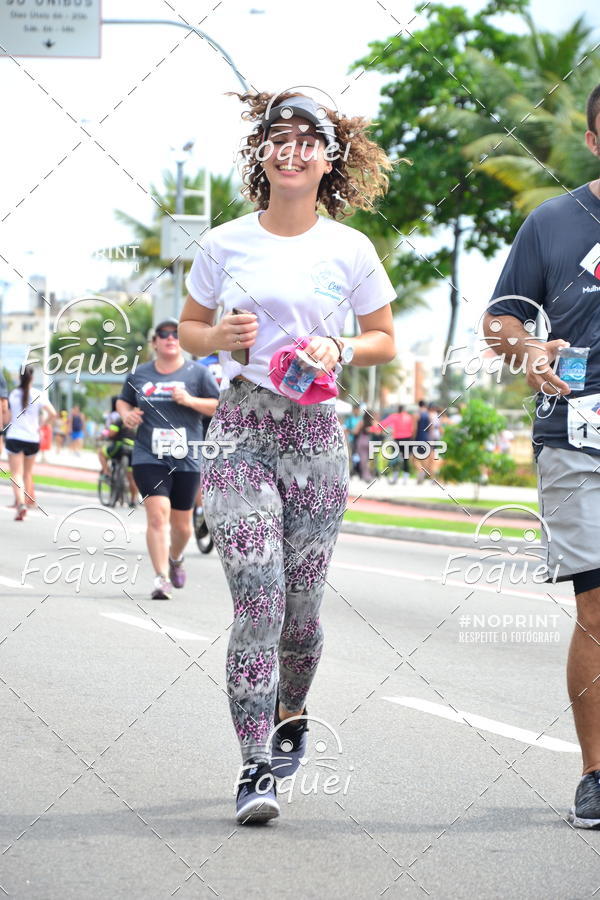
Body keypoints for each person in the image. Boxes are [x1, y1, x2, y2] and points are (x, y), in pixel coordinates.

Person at [178, 90, 397, 824]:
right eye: (280, 137)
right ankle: (255, 769)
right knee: (259, 602)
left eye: (310, 139)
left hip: (316, 434)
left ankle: (292, 707)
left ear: (329, 158)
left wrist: (340, 346)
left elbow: (384, 339)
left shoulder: (350, 248)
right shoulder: (225, 242)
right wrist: (222, 338)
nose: (293, 148)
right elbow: (189, 331)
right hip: (242, 426)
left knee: (301, 617)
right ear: (262, 153)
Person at [484, 82, 600, 829]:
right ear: (592, 138)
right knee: (597, 606)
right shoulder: (553, 222)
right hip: (578, 438)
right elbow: (499, 322)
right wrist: (527, 348)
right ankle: (596, 774)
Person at [116, 318, 219, 600]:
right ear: (155, 342)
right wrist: (127, 414)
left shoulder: (198, 374)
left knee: (182, 526)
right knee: (157, 515)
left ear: (182, 341)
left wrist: (190, 401)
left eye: (175, 334)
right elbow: (123, 399)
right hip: (148, 455)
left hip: (186, 457)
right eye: (163, 334)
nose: (170, 338)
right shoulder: (140, 374)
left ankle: (175, 558)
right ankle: (161, 578)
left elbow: (218, 404)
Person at [5, 365, 56, 520]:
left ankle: (20, 503)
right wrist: (41, 425)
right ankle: (27, 501)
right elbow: (53, 414)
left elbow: (7, 418)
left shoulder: (13, 394)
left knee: (16, 473)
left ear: (19, 378)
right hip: (32, 438)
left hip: (15, 437)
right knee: (27, 473)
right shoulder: (38, 394)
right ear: (32, 378)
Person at [98, 396, 138, 506]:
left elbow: (111, 433)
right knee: (131, 477)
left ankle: (106, 473)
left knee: (101, 452)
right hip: (134, 450)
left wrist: (104, 437)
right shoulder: (139, 421)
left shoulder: (121, 419)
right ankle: (133, 500)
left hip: (120, 446)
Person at [380, 403, 415, 484]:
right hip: (407, 439)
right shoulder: (409, 417)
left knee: (394, 458)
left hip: (397, 440)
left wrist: (375, 427)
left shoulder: (394, 416)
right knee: (406, 459)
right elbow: (413, 429)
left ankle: (395, 477)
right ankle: (405, 479)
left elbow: (383, 424)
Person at [413, 399, 431, 484]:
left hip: (418, 437)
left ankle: (420, 471)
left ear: (419, 405)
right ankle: (424, 473)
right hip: (426, 438)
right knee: (425, 458)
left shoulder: (417, 415)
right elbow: (430, 428)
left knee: (415, 459)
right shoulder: (428, 415)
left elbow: (415, 428)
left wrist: (412, 438)